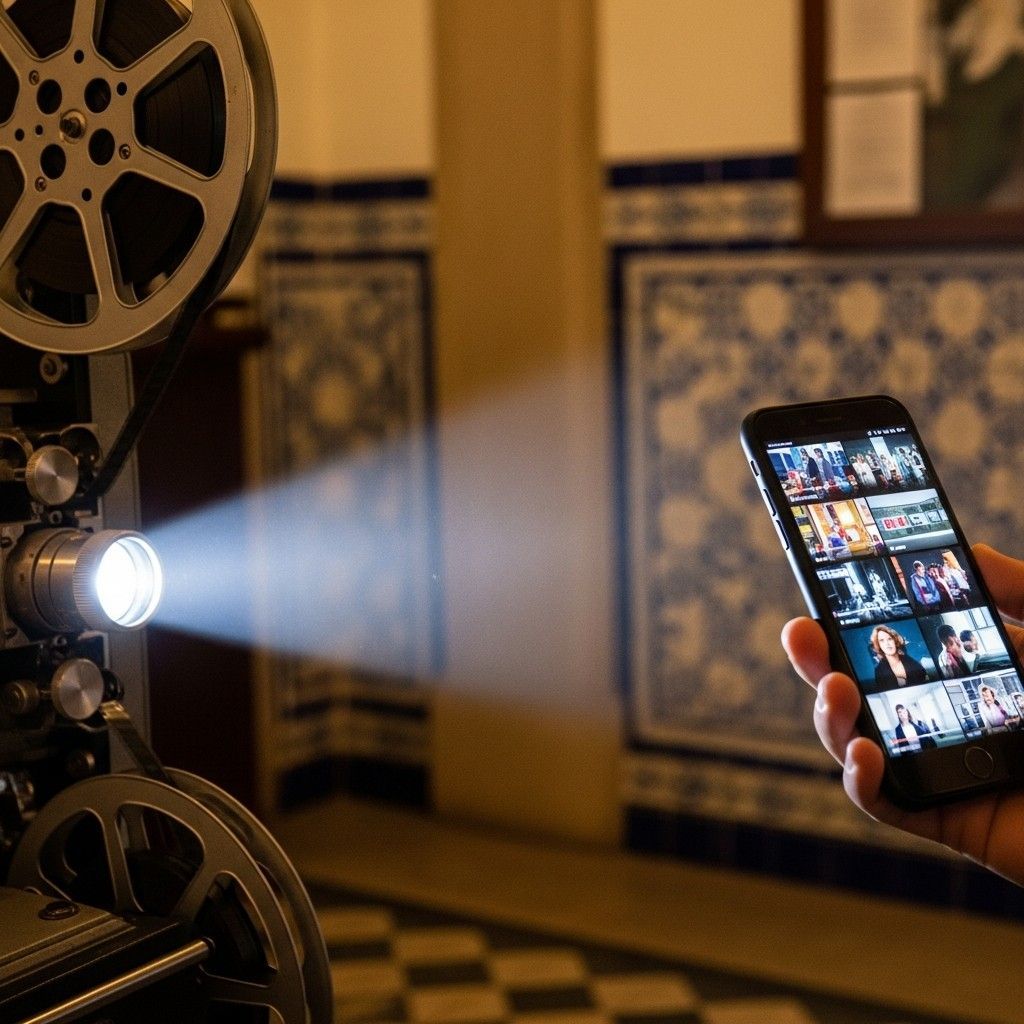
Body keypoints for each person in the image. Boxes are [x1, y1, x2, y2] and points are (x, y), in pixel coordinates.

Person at [781, 543, 1024, 887]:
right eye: (880, 641)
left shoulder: (918, 664)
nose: (887, 643)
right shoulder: (881, 681)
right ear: (877, 647)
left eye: (889, 638)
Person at [869, 624, 928, 689]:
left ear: (895, 640)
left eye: (889, 639)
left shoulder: (910, 661)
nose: (887, 643)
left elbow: (925, 679)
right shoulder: (879, 671)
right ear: (879, 645)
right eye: (882, 640)